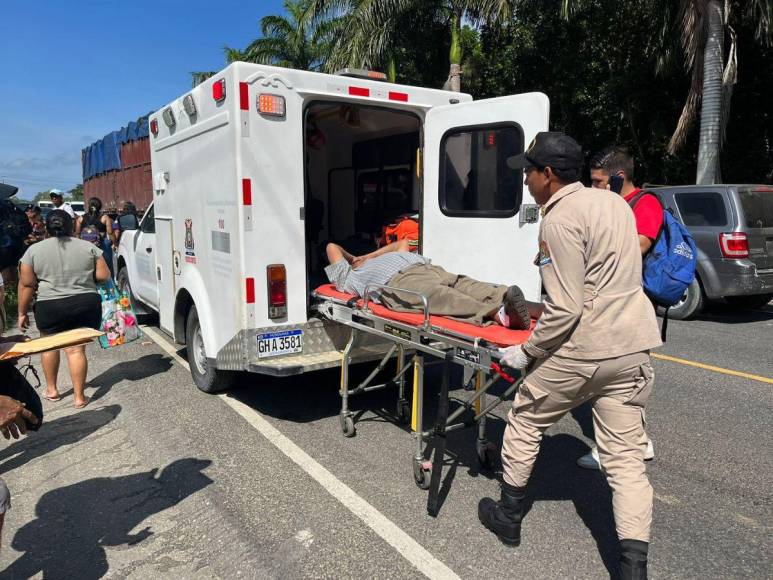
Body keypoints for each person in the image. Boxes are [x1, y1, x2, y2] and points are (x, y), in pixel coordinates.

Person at [477, 132, 662, 579]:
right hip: (633, 345)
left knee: (525, 418)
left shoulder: (558, 221)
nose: (524, 179)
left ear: (548, 175)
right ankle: (634, 567)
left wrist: (528, 351)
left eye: (528, 171)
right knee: (625, 460)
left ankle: (508, 517)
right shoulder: (616, 204)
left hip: (585, 349)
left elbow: (566, 308)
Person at [577, 146, 661, 469]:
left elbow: (640, 244)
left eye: (598, 182)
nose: (594, 187)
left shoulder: (645, 203)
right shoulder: (615, 203)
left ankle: (616, 448)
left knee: (622, 380)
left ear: (618, 177)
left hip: (630, 307)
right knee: (623, 381)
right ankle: (636, 443)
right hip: (613, 303)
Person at [17, 210, 111, 408]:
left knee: (49, 346)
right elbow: (104, 276)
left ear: (47, 227)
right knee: (76, 349)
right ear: (71, 226)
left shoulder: (33, 251)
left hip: (49, 306)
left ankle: (52, 390)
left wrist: (22, 313)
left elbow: (26, 284)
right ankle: (79, 397)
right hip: (85, 304)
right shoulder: (89, 247)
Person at [325, 239, 531, 329]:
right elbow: (331, 246)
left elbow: (402, 243)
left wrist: (369, 256)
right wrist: (353, 260)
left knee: (465, 284)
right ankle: (498, 314)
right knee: (442, 296)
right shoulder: (348, 279)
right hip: (399, 282)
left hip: (428, 268)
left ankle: (513, 301)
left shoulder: (378, 259)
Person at [76, 197, 116, 279]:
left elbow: (77, 233)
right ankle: (110, 285)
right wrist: (115, 243)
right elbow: (110, 232)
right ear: (100, 206)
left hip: (85, 246)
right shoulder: (104, 218)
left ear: (89, 206)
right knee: (107, 266)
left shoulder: (80, 218)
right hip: (102, 245)